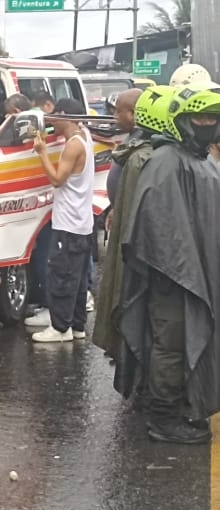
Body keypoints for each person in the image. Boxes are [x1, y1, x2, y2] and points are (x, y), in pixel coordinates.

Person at [116, 83, 220, 444]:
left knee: (185, 339)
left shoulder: (201, 159)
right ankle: (163, 417)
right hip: (174, 275)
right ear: (183, 121)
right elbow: (157, 225)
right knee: (171, 343)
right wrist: (184, 272)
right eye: (200, 117)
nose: (207, 124)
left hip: (197, 271)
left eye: (212, 118)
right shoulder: (165, 161)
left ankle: (177, 405)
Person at [93, 87, 168, 365]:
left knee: (131, 292)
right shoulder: (134, 140)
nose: (114, 116)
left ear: (135, 114)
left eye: (118, 111)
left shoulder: (147, 149)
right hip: (123, 218)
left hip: (135, 233)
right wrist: (115, 207)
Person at [31, 98, 95, 343]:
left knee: (61, 275)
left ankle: (60, 328)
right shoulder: (84, 136)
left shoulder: (73, 145)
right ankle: (77, 326)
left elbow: (57, 179)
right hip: (82, 222)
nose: (51, 121)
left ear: (65, 115)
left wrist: (42, 152)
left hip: (68, 223)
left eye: (55, 115)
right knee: (77, 280)